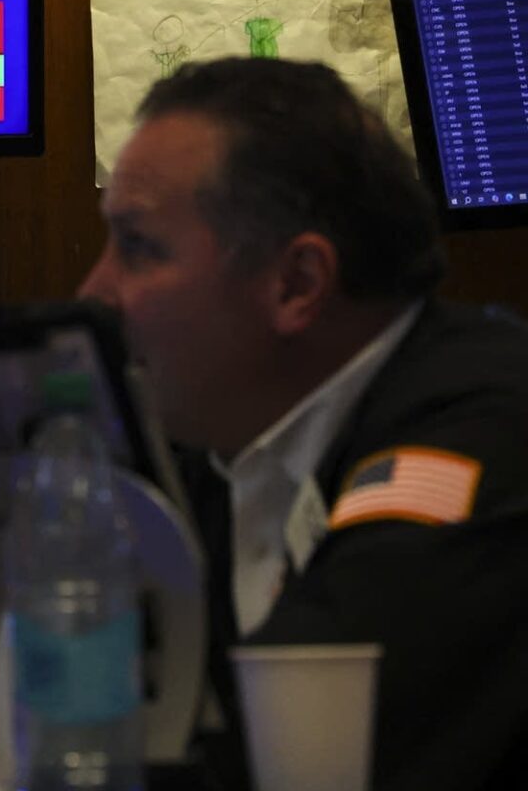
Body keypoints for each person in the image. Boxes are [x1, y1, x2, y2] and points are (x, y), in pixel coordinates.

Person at [77, 56, 528, 789]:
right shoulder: (223, 451)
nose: (93, 292)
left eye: (137, 248)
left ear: (297, 284)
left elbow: (285, 756)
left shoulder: (485, 429)